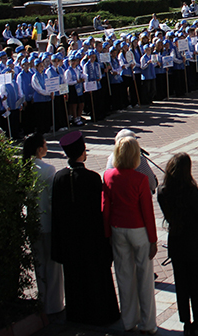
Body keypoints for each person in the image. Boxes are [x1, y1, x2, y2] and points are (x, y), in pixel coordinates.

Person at [51, 131, 120, 326]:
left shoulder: (59, 178)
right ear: (82, 153)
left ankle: (77, 314)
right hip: (91, 238)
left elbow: (56, 213)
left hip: (69, 240)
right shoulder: (92, 178)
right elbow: (101, 211)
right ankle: (101, 314)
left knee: (74, 279)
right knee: (96, 279)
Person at [103, 135, 159, 334]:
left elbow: (105, 208)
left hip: (118, 229)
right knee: (144, 277)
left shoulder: (108, 176)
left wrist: (107, 232)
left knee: (124, 275)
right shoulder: (141, 179)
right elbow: (147, 212)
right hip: (139, 230)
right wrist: (153, 239)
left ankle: (128, 320)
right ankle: (148, 323)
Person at [157, 153, 198, 335]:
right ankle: (197, 321)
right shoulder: (191, 192)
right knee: (196, 284)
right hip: (194, 242)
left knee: (181, 284)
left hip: (177, 241)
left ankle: (185, 321)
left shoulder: (163, 191)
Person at [23, 134, 65, 315]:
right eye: (45, 145)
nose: (47, 147)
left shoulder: (24, 168)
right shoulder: (48, 169)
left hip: (32, 222)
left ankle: (42, 299)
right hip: (47, 222)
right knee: (53, 266)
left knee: (38, 263)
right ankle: (54, 304)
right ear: (39, 149)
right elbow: (51, 198)